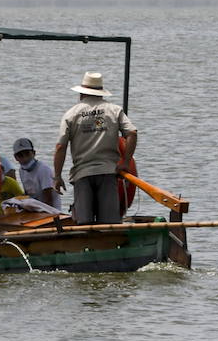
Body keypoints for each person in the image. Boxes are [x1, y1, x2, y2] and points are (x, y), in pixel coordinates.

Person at [53, 71, 137, 225]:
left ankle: (87, 246)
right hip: (108, 172)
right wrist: (125, 162)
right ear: (101, 92)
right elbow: (132, 133)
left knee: (84, 225)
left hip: (82, 174)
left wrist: (57, 176)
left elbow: (60, 147)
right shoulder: (114, 110)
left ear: (81, 94)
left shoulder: (71, 114)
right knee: (109, 224)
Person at [13, 137, 61, 209]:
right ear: (15, 158)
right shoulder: (21, 170)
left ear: (34, 153)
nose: (25, 158)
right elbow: (27, 195)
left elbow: (48, 200)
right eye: (20, 155)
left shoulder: (43, 169)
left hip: (50, 211)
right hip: (34, 209)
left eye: (27, 154)